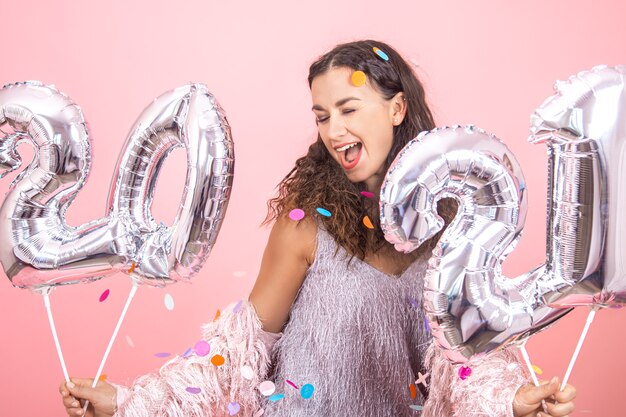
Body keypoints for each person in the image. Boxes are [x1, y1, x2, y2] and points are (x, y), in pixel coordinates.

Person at [60, 40, 577, 417]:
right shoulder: (305, 222)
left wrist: (513, 401)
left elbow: (465, 363)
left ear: (397, 108)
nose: (334, 130)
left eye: (349, 109)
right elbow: (239, 350)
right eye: (322, 115)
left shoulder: (451, 229)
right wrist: (130, 402)